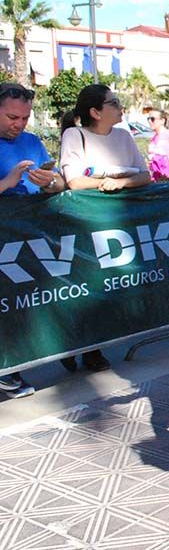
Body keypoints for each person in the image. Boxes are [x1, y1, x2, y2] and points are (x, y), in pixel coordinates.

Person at [58, 84, 151, 372]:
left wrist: (120, 183)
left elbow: (146, 175)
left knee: (110, 286)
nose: (120, 106)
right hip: (83, 222)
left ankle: (93, 346)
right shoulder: (74, 135)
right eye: (113, 103)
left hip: (119, 224)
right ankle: (77, 346)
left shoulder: (124, 136)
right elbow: (73, 180)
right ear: (95, 112)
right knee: (84, 286)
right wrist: (103, 183)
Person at [0, 83, 67, 399]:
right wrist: (8, 182)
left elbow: (59, 183)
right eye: (13, 117)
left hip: (29, 237)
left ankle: (12, 368)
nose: (19, 124)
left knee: (24, 304)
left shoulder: (32, 142)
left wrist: (51, 182)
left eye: (25, 118)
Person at [146, 109, 169, 180]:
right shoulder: (153, 138)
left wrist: (162, 160)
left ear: (162, 121)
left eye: (152, 119)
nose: (149, 121)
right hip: (157, 178)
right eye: (148, 119)